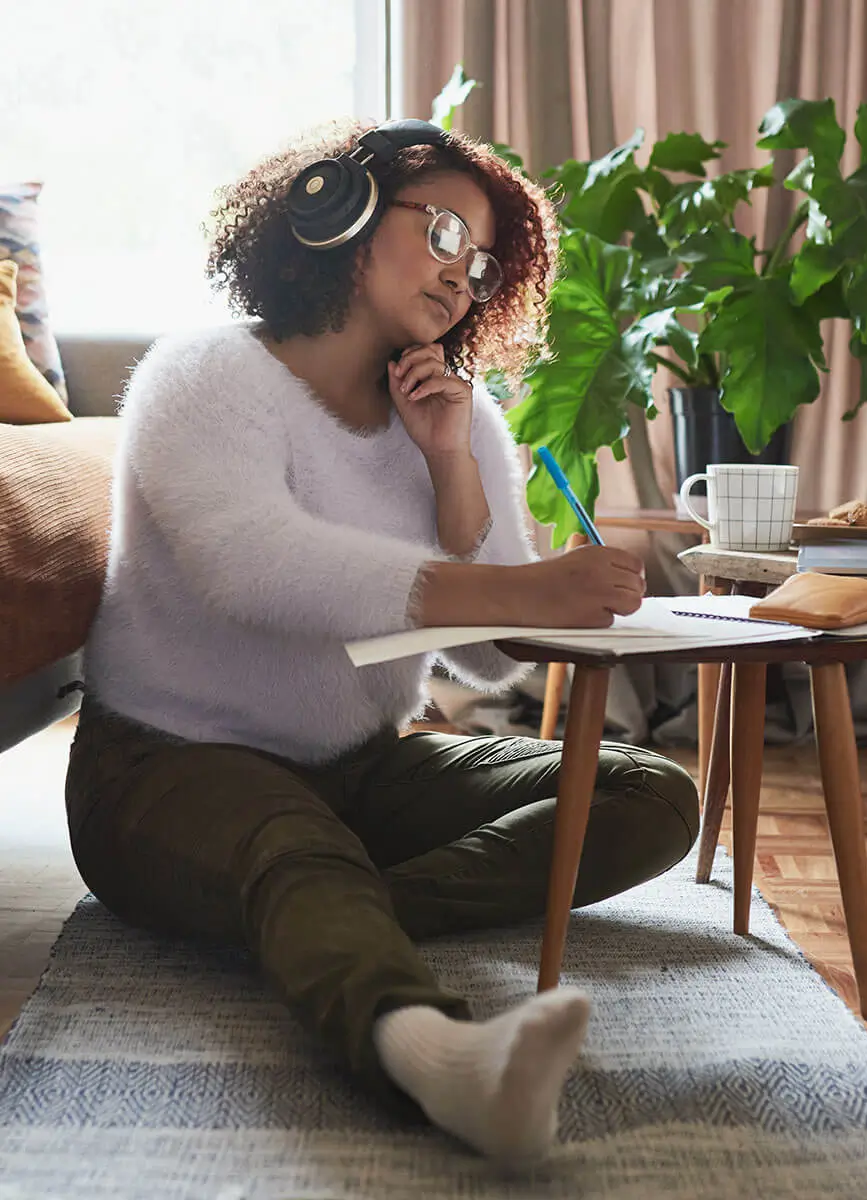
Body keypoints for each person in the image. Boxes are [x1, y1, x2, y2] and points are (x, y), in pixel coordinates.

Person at [65, 118, 699, 1163]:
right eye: (443, 229)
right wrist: (524, 584)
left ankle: (321, 912)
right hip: (163, 767)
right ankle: (441, 1057)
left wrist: (450, 464)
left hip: (361, 772)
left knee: (644, 794)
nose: (463, 274)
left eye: (484, 257)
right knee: (290, 847)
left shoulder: (459, 416)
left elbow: (493, 661)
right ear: (341, 212)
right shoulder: (206, 378)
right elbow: (250, 562)